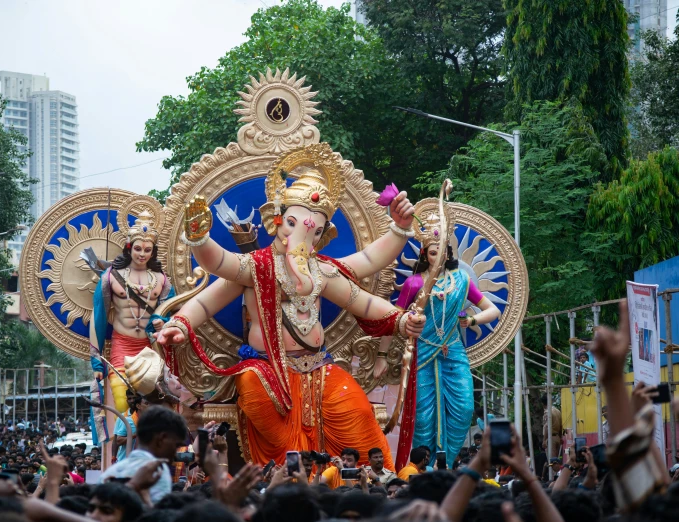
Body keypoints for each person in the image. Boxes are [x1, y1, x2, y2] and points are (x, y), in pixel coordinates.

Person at [159, 143, 425, 469]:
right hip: (266, 372)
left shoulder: (321, 271)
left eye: (312, 230)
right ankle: (292, 478)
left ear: (321, 236)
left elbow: (366, 287)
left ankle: (378, 479)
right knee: (256, 392)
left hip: (318, 369)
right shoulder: (252, 268)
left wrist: (401, 318)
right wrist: (179, 321)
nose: (299, 236)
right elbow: (208, 288)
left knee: (355, 408)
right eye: (293, 224)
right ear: (276, 221)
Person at [390, 215, 502, 469]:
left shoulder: (462, 281)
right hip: (423, 353)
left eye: (442, 251)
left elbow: (492, 310)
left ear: (449, 252)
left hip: (453, 351)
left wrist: (471, 321)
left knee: (463, 409)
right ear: (424, 254)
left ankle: (448, 464)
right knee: (423, 416)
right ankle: (422, 467)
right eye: (432, 251)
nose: (437, 256)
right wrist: (406, 322)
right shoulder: (414, 283)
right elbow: (395, 317)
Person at [89, 204, 175, 414]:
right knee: (123, 405)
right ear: (129, 247)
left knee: (153, 406)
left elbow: (171, 313)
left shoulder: (162, 281)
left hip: (150, 349)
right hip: (121, 347)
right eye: (138, 248)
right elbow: (98, 316)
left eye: (147, 250)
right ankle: (126, 444)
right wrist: (96, 360)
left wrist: (161, 321)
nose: (142, 254)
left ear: (153, 251)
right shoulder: (110, 277)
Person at [100, 405, 186, 504]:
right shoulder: (158, 472)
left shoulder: (109, 473)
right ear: (162, 438)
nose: (175, 453)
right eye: (176, 445)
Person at [541, 393, 563, 457]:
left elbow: (546, 427)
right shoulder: (557, 411)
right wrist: (560, 437)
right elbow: (561, 425)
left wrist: (544, 440)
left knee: (552, 461)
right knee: (557, 460)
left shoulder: (547, 412)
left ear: (542, 403)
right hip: (557, 437)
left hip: (550, 438)